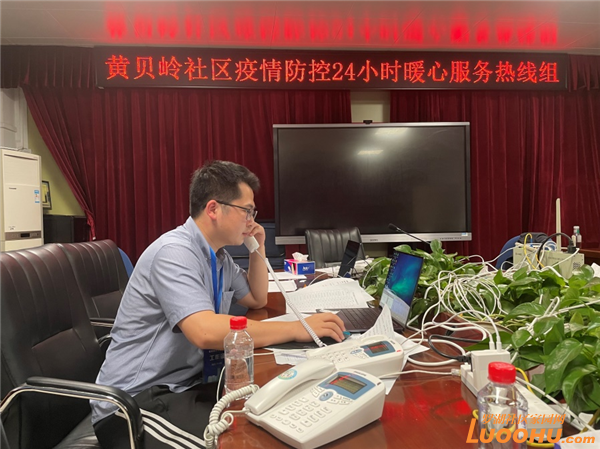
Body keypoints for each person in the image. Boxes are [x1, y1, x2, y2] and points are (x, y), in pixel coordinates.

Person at [92, 160, 345, 449]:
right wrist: (297, 328)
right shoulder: (174, 253)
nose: (252, 220)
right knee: (246, 441)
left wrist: (258, 246)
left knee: (272, 414)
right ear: (213, 209)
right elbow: (205, 331)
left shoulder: (220, 258)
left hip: (186, 385)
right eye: (247, 211)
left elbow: (257, 298)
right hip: (133, 404)